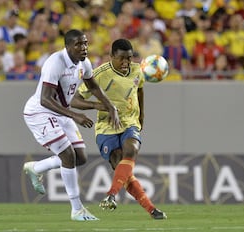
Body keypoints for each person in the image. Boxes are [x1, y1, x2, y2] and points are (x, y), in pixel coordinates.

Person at [22, 29, 120, 221]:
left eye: (85, 43)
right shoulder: (55, 63)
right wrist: (76, 115)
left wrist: (110, 106)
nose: (83, 48)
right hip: (40, 112)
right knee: (67, 155)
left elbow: (92, 86)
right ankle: (77, 209)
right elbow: (45, 99)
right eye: (78, 44)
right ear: (67, 47)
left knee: (80, 158)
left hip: (62, 111)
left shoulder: (84, 63)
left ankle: (37, 167)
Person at [71, 38, 167, 220]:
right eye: (121, 58)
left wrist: (142, 116)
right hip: (106, 127)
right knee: (122, 170)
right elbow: (74, 100)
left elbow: (139, 90)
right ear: (111, 56)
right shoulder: (99, 74)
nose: (126, 63)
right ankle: (151, 209)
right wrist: (97, 106)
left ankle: (111, 194)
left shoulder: (137, 70)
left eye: (129, 58)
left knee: (131, 149)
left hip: (130, 122)